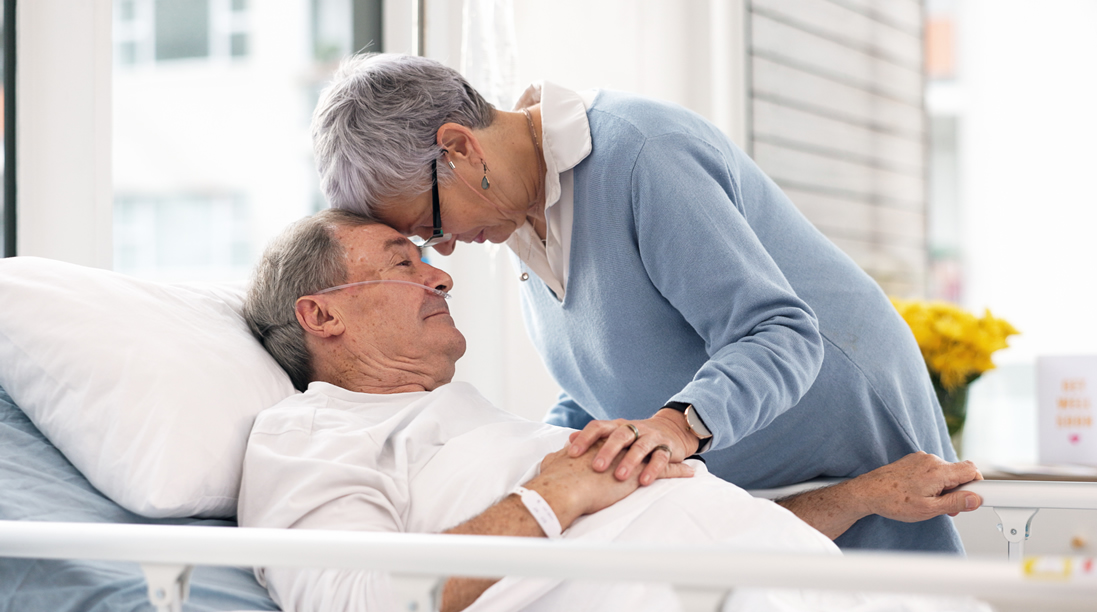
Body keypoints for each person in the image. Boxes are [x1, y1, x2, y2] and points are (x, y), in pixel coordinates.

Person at [309, 54, 964, 553]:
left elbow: (781, 332)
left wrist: (674, 428)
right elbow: (606, 378)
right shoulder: (518, 220)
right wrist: (550, 453)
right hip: (740, 485)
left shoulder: (640, 154)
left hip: (844, 443)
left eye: (432, 225)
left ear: (459, 148)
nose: (445, 253)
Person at [238, 210, 986, 612]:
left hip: (802, 592)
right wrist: (549, 496)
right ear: (321, 314)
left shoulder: (477, 422)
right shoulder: (308, 437)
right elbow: (357, 610)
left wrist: (858, 498)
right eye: (403, 263)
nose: (440, 272)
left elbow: (666, 520)